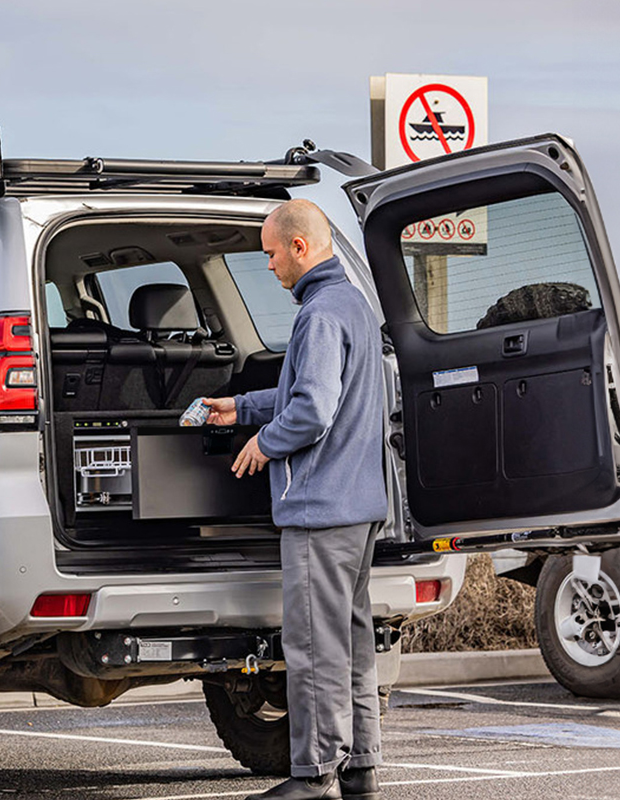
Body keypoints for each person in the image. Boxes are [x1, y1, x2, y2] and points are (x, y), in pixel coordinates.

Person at [205, 199, 388, 800]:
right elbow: (301, 388)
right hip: (357, 507)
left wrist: (263, 441)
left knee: (312, 645)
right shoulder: (351, 305)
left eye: (271, 253)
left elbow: (312, 409)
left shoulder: (318, 314)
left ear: (300, 247)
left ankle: (311, 777)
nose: (270, 265)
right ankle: (360, 768)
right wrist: (243, 407)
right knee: (354, 642)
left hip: (318, 509)